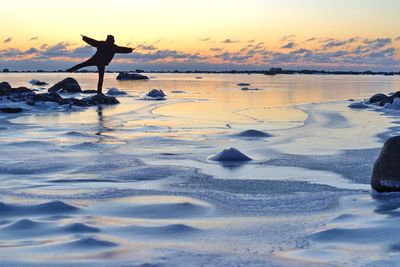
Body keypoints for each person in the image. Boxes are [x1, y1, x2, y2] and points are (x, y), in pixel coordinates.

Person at [67, 35, 134, 94]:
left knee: (82, 65)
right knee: (101, 78)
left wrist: (84, 38)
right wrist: (130, 50)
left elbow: (92, 42)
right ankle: (99, 91)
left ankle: (70, 70)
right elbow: (122, 49)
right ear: (113, 40)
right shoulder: (113, 47)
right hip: (101, 63)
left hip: (95, 60)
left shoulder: (102, 43)